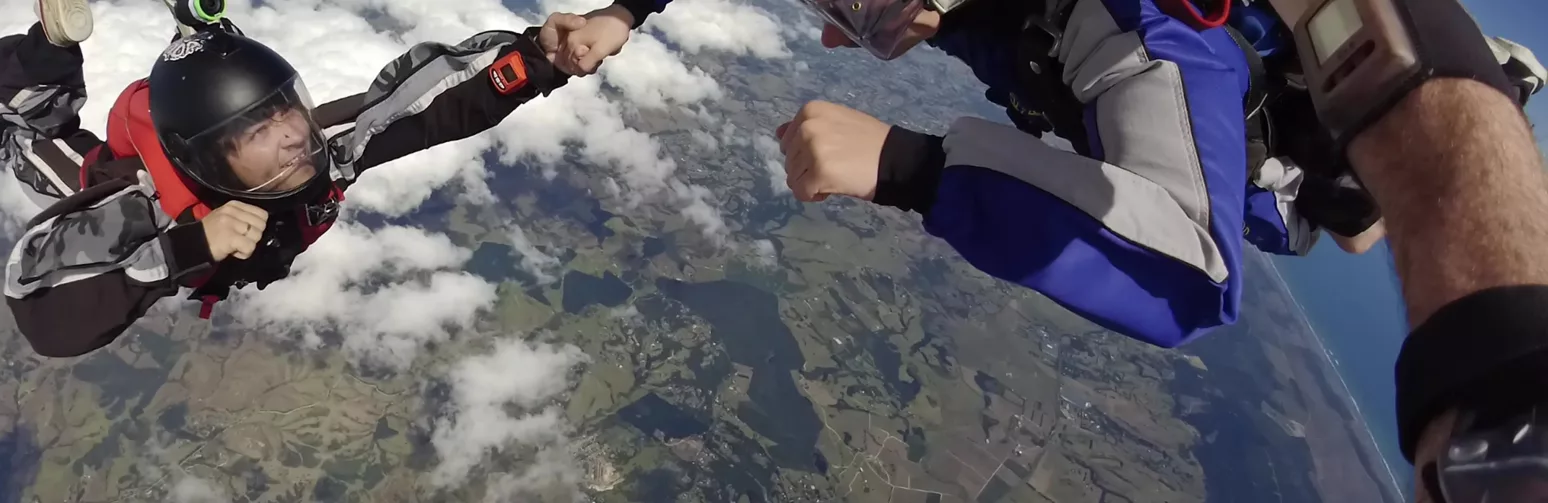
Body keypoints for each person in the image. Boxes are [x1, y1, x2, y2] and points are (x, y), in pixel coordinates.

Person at [539, 0, 1545, 349]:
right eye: (857, 16)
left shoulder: (1125, 18)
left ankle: (1434, 108)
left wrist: (912, 168)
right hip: (1203, 128)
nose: (875, 31)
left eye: (874, 9)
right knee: (1316, 207)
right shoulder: (994, 23)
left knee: (1323, 206)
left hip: (1199, 96)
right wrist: (624, 16)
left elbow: (1186, 277)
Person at [0, 0, 583, 357]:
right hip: (142, 180)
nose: (292, 136)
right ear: (214, 162)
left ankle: (205, 33)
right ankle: (53, 44)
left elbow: (419, 103)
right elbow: (35, 291)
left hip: (200, 148)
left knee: (229, 89)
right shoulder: (145, 208)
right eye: (257, 135)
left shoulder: (313, 155)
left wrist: (535, 61)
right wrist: (190, 246)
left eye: (285, 111)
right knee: (26, 133)